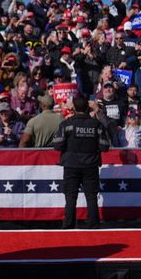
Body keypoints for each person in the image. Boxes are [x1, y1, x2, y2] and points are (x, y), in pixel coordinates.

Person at [52, 94, 109, 229]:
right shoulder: (97, 125)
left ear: (74, 108)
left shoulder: (66, 124)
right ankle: (93, 224)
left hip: (71, 165)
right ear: (88, 108)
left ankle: (68, 225)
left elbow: (57, 145)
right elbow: (105, 146)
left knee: (71, 197)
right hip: (90, 165)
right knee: (91, 196)